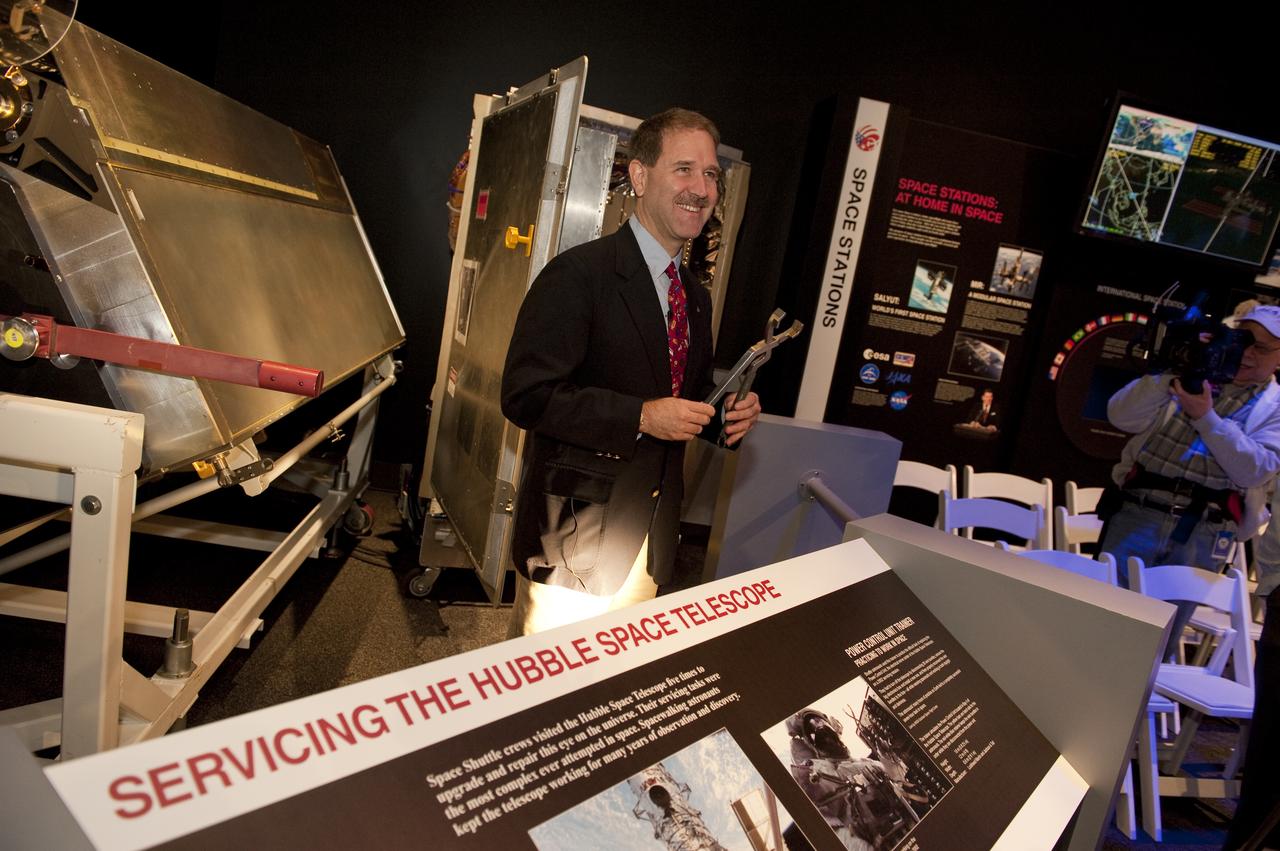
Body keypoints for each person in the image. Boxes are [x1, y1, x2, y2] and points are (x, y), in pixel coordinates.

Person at [500, 108, 760, 636]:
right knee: (548, 704)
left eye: (711, 175)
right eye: (683, 169)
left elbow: (679, 392)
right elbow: (527, 396)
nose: (701, 188)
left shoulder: (694, 295)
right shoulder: (578, 275)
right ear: (639, 177)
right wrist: (641, 416)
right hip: (577, 540)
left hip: (649, 541)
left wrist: (723, 415)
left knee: (613, 704)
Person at [1099, 304, 1280, 653]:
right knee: (1101, 622)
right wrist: (1171, 374)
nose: (1247, 353)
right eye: (1242, 339)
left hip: (1203, 531)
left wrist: (1206, 417)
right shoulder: (1191, 373)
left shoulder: (1274, 406)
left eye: (1262, 347)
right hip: (1138, 511)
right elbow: (1120, 415)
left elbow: (1254, 469)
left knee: (1154, 646)